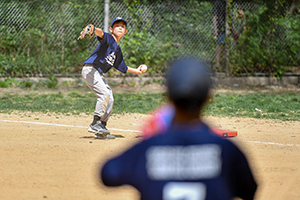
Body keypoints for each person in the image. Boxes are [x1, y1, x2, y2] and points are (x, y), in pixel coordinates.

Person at [100, 57, 257, 200]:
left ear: (168, 97)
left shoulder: (148, 149)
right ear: (207, 98)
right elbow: (249, 190)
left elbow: (108, 174)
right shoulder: (227, 150)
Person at [79, 17, 146, 139]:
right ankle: (95, 123)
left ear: (125, 31)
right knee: (104, 94)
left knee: (110, 98)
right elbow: (101, 33)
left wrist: (137, 71)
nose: (120, 27)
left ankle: (102, 127)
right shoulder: (109, 39)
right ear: (111, 29)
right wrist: (93, 29)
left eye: (123, 26)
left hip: (98, 73)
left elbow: (123, 67)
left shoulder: (117, 50)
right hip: (91, 70)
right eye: (117, 26)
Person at [212, 0, 238, 70]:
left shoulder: (229, 4)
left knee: (226, 46)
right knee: (219, 44)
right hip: (220, 27)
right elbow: (214, 16)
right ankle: (217, 63)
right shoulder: (217, 2)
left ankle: (224, 65)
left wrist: (234, 30)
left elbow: (231, 19)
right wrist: (215, 29)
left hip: (228, 29)